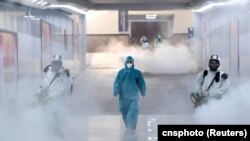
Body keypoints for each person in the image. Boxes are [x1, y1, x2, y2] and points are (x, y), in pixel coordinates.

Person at [33, 54, 73, 138]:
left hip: (60, 103)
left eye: (58, 63)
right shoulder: (49, 71)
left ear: (61, 64)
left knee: (60, 123)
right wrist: (38, 93)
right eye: (54, 63)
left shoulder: (65, 74)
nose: (55, 65)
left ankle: (59, 136)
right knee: (48, 121)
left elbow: (61, 90)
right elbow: (44, 83)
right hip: (49, 103)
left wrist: (49, 97)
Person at [113, 56, 146, 130]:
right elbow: (117, 82)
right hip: (123, 96)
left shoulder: (137, 73)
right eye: (128, 62)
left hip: (133, 95)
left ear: (133, 63)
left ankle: (132, 125)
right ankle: (128, 124)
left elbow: (141, 83)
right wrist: (116, 90)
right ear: (125, 63)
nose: (129, 64)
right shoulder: (121, 72)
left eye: (131, 62)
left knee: (133, 110)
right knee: (124, 110)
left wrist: (143, 91)